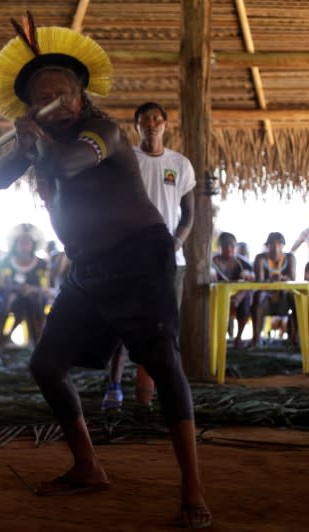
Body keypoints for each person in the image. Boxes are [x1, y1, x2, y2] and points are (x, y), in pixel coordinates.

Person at [0, 16, 210, 527]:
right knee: (46, 367)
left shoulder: (102, 132)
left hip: (141, 259)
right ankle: (88, 466)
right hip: (88, 269)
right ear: (30, 105)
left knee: (164, 364)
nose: (56, 99)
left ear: (81, 95)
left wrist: (35, 144)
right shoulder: (38, 139)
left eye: (63, 91)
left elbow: (67, 166)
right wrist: (21, 143)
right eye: (43, 94)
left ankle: (193, 489)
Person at [102, 100, 196, 409]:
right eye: (145, 120)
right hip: (132, 259)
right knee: (124, 325)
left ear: (166, 125)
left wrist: (174, 245)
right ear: (137, 126)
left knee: (164, 329)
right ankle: (114, 385)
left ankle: (148, 395)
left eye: (157, 119)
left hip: (170, 262)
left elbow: (188, 216)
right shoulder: (128, 161)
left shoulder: (180, 165)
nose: (152, 123)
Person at [251, 232, 297, 346]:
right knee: (258, 295)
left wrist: (282, 278)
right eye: (272, 245)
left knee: (295, 296)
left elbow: (292, 280)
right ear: (267, 246)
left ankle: (296, 336)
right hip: (266, 298)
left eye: (279, 244)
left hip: (284, 298)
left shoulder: (290, 258)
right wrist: (271, 280)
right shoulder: (260, 258)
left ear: (283, 246)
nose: (276, 248)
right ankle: (256, 337)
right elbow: (259, 282)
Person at [210, 232, 254, 347]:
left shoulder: (243, 263)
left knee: (245, 300)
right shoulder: (213, 262)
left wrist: (239, 296)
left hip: (236, 299)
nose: (229, 249)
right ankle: (218, 338)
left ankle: (238, 337)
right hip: (218, 298)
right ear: (220, 247)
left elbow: (252, 281)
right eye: (225, 246)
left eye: (232, 246)